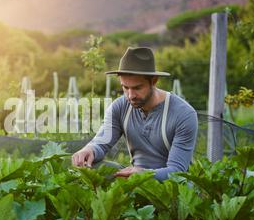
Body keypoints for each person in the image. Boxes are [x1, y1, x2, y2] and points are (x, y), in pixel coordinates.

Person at [72, 47, 198, 182]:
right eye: (125, 87)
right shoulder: (119, 107)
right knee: (92, 167)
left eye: (137, 88)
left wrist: (143, 173)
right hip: (135, 180)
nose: (130, 95)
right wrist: (89, 150)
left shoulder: (183, 114)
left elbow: (177, 172)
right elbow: (101, 142)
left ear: (154, 81)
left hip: (170, 189)